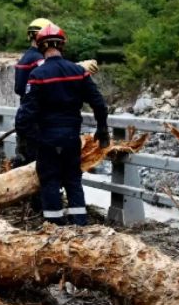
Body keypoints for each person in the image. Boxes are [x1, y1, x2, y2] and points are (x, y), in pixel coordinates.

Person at [15, 23, 109, 226]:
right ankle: (80, 226)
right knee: (73, 181)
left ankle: (55, 229)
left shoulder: (37, 76)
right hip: (70, 138)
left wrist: (34, 139)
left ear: (40, 47)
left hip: (47, 138)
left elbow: (24, 116)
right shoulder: (78, 72)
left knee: (49, 182)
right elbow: (99, 103)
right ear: (62, 46)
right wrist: (102, 128)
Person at [12, 18, 53, 168]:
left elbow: (18, 89)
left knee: (24, 160)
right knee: (39, 164)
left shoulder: (25, 58)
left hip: (24, 114)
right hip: (38, 118)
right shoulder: (39, 59)